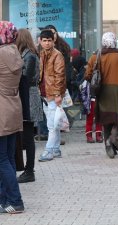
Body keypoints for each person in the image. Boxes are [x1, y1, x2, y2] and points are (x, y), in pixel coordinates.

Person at [92, 32, 118, 158]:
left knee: (106, 120)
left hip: (102, 93)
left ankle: (109, 146)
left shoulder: (96, 55)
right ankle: (113, 141)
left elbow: (88, 75)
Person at [0, 21, 24, 213]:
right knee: (7, 157)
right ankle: (4, 200)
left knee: (2, 160)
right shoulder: (14, 52)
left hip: (1, 111)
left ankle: (15, 201)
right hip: (13, 108)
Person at [15, 28, 43, 183]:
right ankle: (27, 169)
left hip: (29, 98)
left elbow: (25, 78)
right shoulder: (28, 54)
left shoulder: (29, 56)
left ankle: (29, 170)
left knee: (28, 137)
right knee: (26, 136)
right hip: (28, 96)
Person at [38, 29, 66, 162]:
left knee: (52, 124)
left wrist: (57, 94)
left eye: (49, 40)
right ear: (40, 41)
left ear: (53, 41)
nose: (47, 43)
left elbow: (59, 76)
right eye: (45, 41)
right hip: (44, 93)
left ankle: (49, 151)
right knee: (54, 122)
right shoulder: (42, 54)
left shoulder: (57, 55)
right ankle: (56, 149)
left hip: (53, 94)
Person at [84, 50, 103, 143]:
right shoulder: (108, 57)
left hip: (93, 89)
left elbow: (87, 74)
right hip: (104, 90)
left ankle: (89, 135)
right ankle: (99, 134)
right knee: (99, 114)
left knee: (90, 113)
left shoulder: (93, 58)